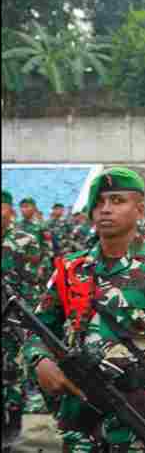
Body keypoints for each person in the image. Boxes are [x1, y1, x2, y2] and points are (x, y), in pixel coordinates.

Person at [22, 167, 145, 453]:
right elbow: (35, 327)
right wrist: (40, 360)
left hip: (141, 417)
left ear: (139, 209)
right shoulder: (72, 269)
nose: (105, 209)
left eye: (117, 201)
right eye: (99, 202)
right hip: (80, 418)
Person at [2, 189, 42, 446]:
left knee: (14, 373)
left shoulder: (25, 241)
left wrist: (28, 320)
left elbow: (33, 282)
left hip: (13, 319)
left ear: (9, 210)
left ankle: (13, 426)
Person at [18, 197, 54, 283]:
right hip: (19, 268)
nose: (23, 209)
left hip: (36, 268)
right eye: (21, 207)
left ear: (34, 208)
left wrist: (42, 267)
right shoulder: (17, 225)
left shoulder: (41, 226)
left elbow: (48, 249)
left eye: (26, 206)